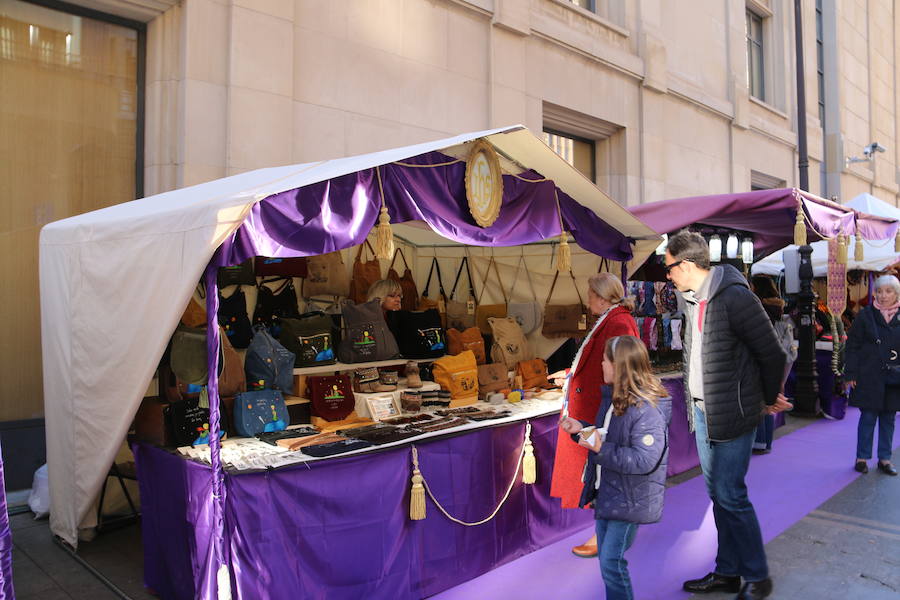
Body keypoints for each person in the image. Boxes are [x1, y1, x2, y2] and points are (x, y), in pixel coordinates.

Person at [664, 231, 790, 600]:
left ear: (685, 265)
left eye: (669, 267)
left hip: (733, 413)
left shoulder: (736, 297)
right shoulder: (690, 300)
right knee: (718, 494)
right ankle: (728, 571)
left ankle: (757, 576)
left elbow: (773, 353)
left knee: (730, 494)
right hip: (704, 413)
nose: (667, 274)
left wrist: (767, 399)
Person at [559, 335, 671, 600]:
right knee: (608, 561)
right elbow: (604, 437)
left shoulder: (646, 409)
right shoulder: (613, 399)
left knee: (611, 561)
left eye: (605, 360)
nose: (601, 364)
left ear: (619, 366)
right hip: (609, 493)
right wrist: (580, 431)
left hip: (629, 500)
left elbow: (644, 461)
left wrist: (598, 447)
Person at [548, 272, 639, 558]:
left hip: (606, 410)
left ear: (601, 297)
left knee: (605, 475)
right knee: (602, 475)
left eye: (590, 296)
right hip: (598, 408)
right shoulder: (611, 319)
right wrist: (570, 376)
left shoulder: (618, 321)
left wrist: (617, 411)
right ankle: (609, 533)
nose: (587, 302)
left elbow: (626, 369)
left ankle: (608, 536)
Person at [844, 274, 900, 476]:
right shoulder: (866, 315)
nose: (883, 295)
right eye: (879, 291)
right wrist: (850, 372)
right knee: (867, 417)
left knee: (888, 419)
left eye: (888, 291)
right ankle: (861, 458)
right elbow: (852, 346)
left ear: (896, 294)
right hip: (869, 375)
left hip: (894, 378)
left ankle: (884, 459)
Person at [750, 276, 797, 454]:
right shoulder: (778, 308)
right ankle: (766, 441)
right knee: (771, 396)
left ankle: (759, 442)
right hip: (779, 357)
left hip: (763, 357)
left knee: (761, 400)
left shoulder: (759, 307)